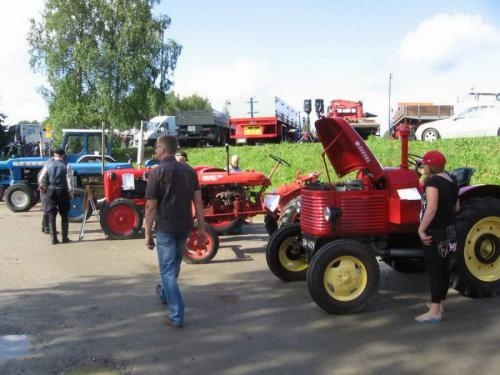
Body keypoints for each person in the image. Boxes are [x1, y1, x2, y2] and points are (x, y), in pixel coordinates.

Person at [144, 135, 207, 328]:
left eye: (156, 148)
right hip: (184, 226)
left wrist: (147, 233)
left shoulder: (156, 173)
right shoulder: (189, 171)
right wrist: (202, 229)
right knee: (174, 266)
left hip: (165, 228)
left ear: (163, 149)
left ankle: (176, 316)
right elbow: (198, 202)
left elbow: (150, 207)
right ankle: (164, 293)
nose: (155, 152)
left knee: (168, 272)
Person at [416, 150, 459, 322]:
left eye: (424, 164)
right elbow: (456, 207)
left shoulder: (433, 181)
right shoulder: (452, 180)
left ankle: (434, 313)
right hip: (449, 231)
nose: (422, 167)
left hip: (436, 232)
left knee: (434, 271)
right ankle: (439, 304)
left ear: (431, 166)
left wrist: (421, 229)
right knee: (443, 269)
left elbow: (431, 208)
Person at [39, 148, 73, 245]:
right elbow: (70, 181)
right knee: (64, 215)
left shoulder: (48, 165)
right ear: (63, 155)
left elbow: (41, 178)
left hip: (50, 191)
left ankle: (53, 239)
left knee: (52, 215)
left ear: (54, 155)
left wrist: (44, 188)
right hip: (62, 191)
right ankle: (65, 238)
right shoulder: (67, 165)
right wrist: (71, 193)